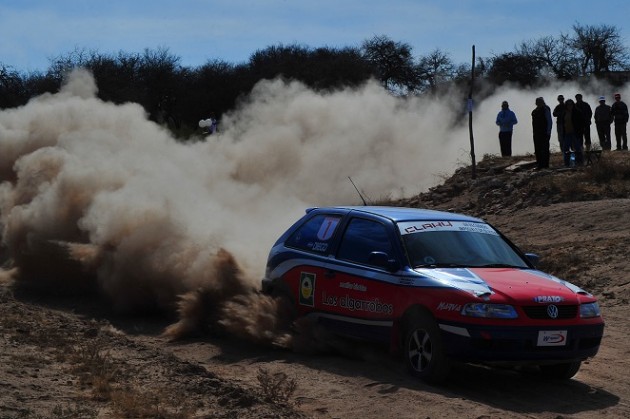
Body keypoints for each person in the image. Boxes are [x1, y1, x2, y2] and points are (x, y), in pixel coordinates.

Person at [562, 99, 585, 167]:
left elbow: (582, 123)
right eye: (568, 104)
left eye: (571, 104)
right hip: (567, 133)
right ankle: (567, 163)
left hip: (575, 133)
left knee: (578, 149)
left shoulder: (577, 112)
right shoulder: (565, 113)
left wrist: (580, 132)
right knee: (566, 149)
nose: (570, 106)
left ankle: (580, 162)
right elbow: (563, 123)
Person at [531, 97, 553, 169]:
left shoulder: (546, 109)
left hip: (544, 133)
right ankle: (539, 164)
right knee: (537, 149)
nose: (538, 103)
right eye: (537, 102)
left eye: (540, 101)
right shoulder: (534, 111)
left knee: (545, 149)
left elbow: (549, 121)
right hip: (536, 133)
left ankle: (545, 165)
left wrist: (548, 132)